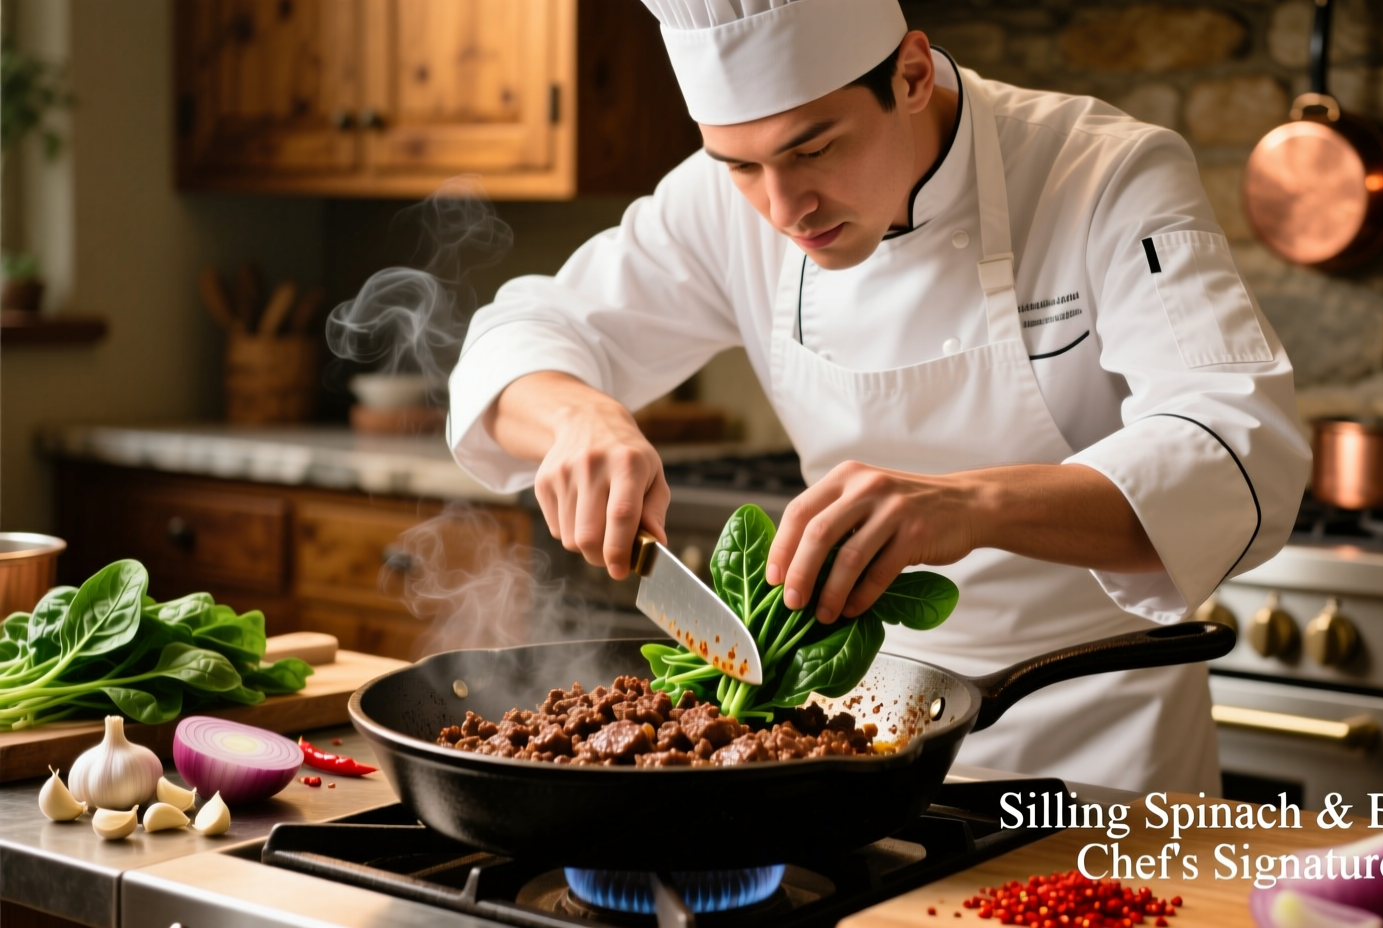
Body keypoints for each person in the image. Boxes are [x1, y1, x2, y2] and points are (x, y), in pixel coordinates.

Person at [447, 0, 1308, 792]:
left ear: (911, 74)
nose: (784, 206)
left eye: (813, 149)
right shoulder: (723, 204)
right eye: (742, 165)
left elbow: (1237, 446)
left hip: (1098, 743)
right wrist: (580, 416)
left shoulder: (1104, 174)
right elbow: (521, 332)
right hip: (862, 740)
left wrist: (970, 504)